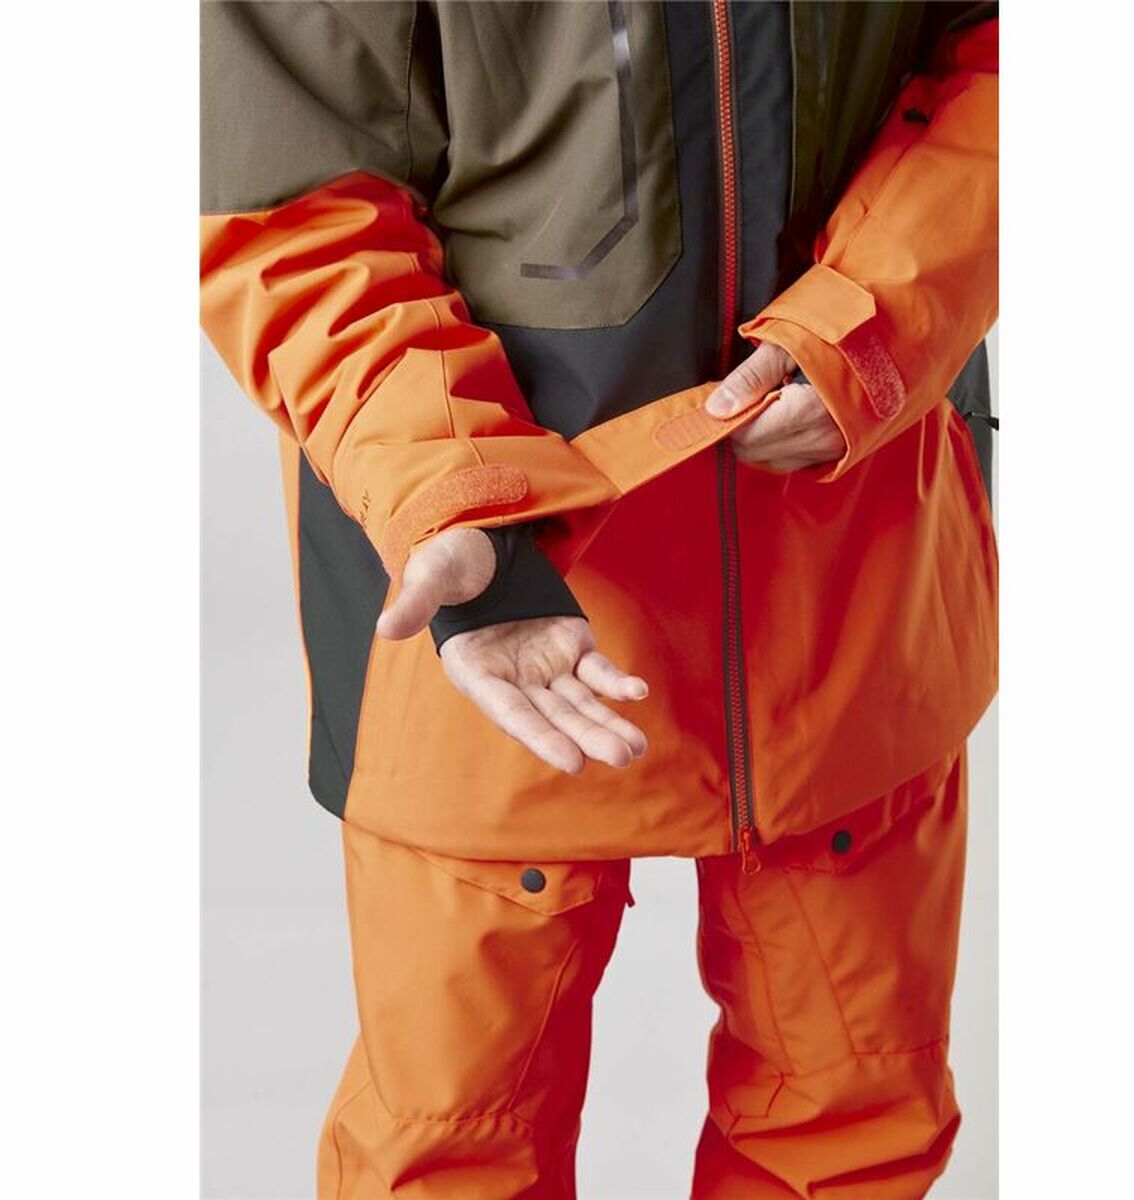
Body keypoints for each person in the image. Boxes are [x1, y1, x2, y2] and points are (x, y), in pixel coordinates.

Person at [200, 1, 998, 1194]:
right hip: (487, 586)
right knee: (452, 1150)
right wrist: (453, 491)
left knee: (850, 1128)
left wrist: (873, 321)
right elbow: (292, 198)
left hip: (854, 556)